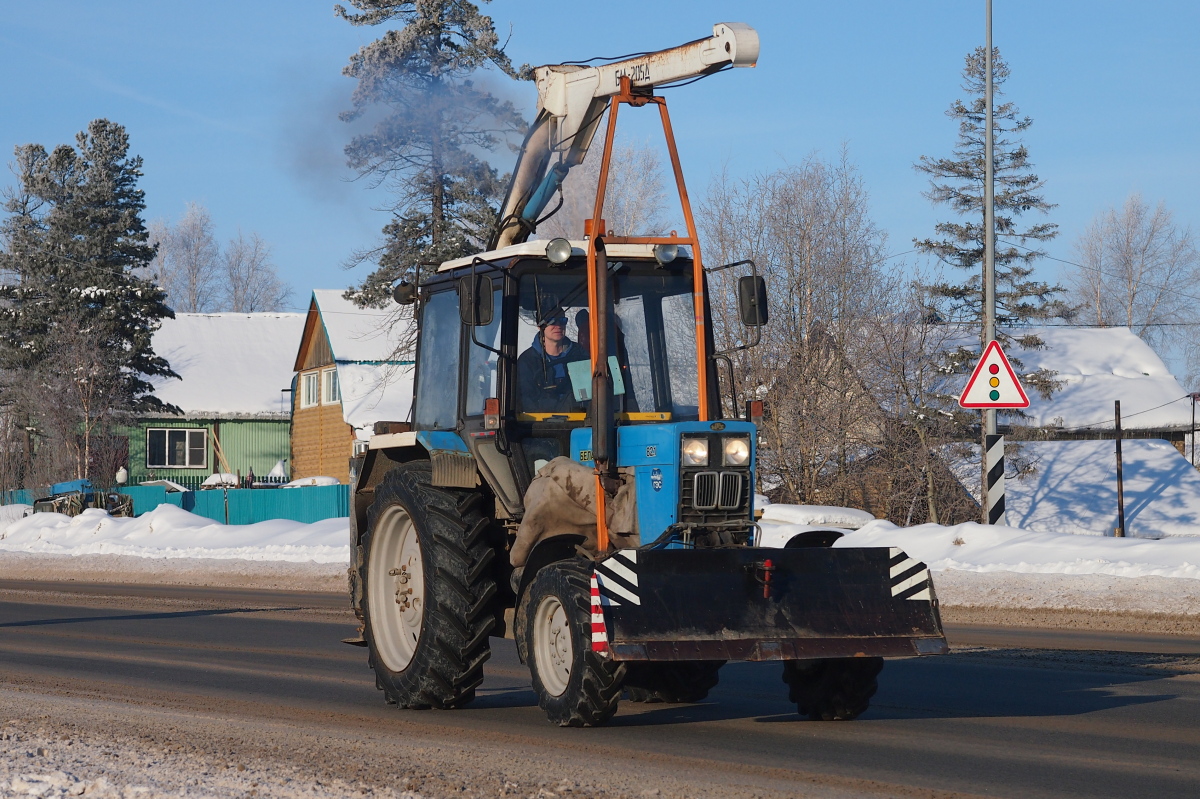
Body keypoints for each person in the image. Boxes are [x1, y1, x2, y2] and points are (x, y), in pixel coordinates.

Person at [517, 307, 588, 412]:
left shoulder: (580, 355)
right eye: (552, 321)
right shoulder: (527, 361)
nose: (558, 326)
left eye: (562, 321)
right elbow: (526, 400)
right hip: (538, 424)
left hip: (579, 420)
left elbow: (589, 393)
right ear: (539, 326)